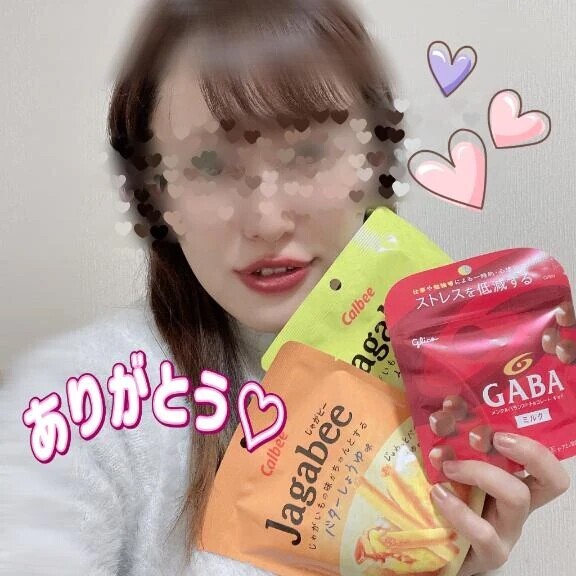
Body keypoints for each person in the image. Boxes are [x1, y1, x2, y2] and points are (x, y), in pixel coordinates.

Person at [1, 1, 571, 575]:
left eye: (308, 153)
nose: (267, 220)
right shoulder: (78, 410)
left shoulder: (439, 377)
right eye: (209, 164)